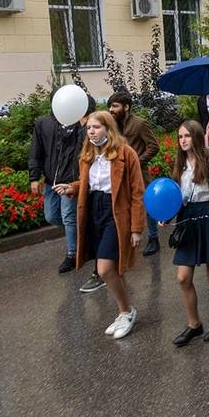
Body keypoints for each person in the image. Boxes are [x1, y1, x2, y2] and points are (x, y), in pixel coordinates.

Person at [53, 111, 146, 339]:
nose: (91, 132)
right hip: (94, 210)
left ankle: (127, 311)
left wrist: (136, 228)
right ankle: (123, 311)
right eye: (89, 128)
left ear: (108, 128)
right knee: (112, 267)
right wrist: (72, 188)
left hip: (116, 213)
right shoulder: (88, 154)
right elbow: (88, 184)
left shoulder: (125, 153)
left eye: (96, 127)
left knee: (104, 269)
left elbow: (137, 192)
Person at [163, 120, 209, 346]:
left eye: (187, 136)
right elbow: (175, 196)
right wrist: (167, 215)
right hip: (187, 220)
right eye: (180, 136)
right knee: (183, 277)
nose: (183, 140)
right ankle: (194, 324)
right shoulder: (180, 164)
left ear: (197, 136)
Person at [29, 92, 93, 273]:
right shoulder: (43, 124)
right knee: (51, 216)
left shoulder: (80, 123)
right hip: (51, 181)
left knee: (68, 217)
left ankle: (72, 254)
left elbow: (86, 146)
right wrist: (34, 177)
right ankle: (83, 234)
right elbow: (35, 152)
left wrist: (82, 124)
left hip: (71, 181)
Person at [107, 92, 160, 257]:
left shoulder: (139, 124)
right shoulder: (111, 126)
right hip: (118, 174)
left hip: (139, 173)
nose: (111, 109)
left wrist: (137, 161)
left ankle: (153, 238)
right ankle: (124, 240)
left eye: (115, 106)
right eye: (110, 106)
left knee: (147, 205)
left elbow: (153, 146)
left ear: (126, 107)